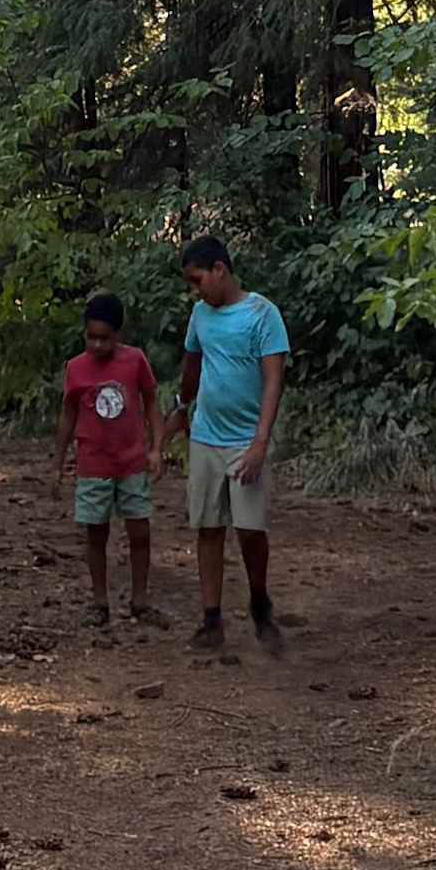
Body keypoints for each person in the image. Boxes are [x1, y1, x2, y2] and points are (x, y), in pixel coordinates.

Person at [174, 227, 289, 654]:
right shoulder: (201, 317)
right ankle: (211, 617)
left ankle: (260, 603)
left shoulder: (262, 314)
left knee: (250, 529)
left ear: (219, 269)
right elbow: (192, 364)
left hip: (245, 439)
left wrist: (261, 442)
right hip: (205, 436)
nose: (195, 291)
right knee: (207, 526)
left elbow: (273, 380)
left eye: (198, 280)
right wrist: (181, 408)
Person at [55, 287, 162, 632]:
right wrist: (58, 460)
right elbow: (68, 416)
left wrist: (156, 447)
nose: (98, 345)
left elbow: (151, 404)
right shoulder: (76, 368)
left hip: (131, 462)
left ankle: (140, 599)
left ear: (118, 335)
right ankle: (99, 601)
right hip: (93, 465)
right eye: (91, 338)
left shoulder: (135, 361)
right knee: (96, 534)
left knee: (139, 531)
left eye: (105, 338)